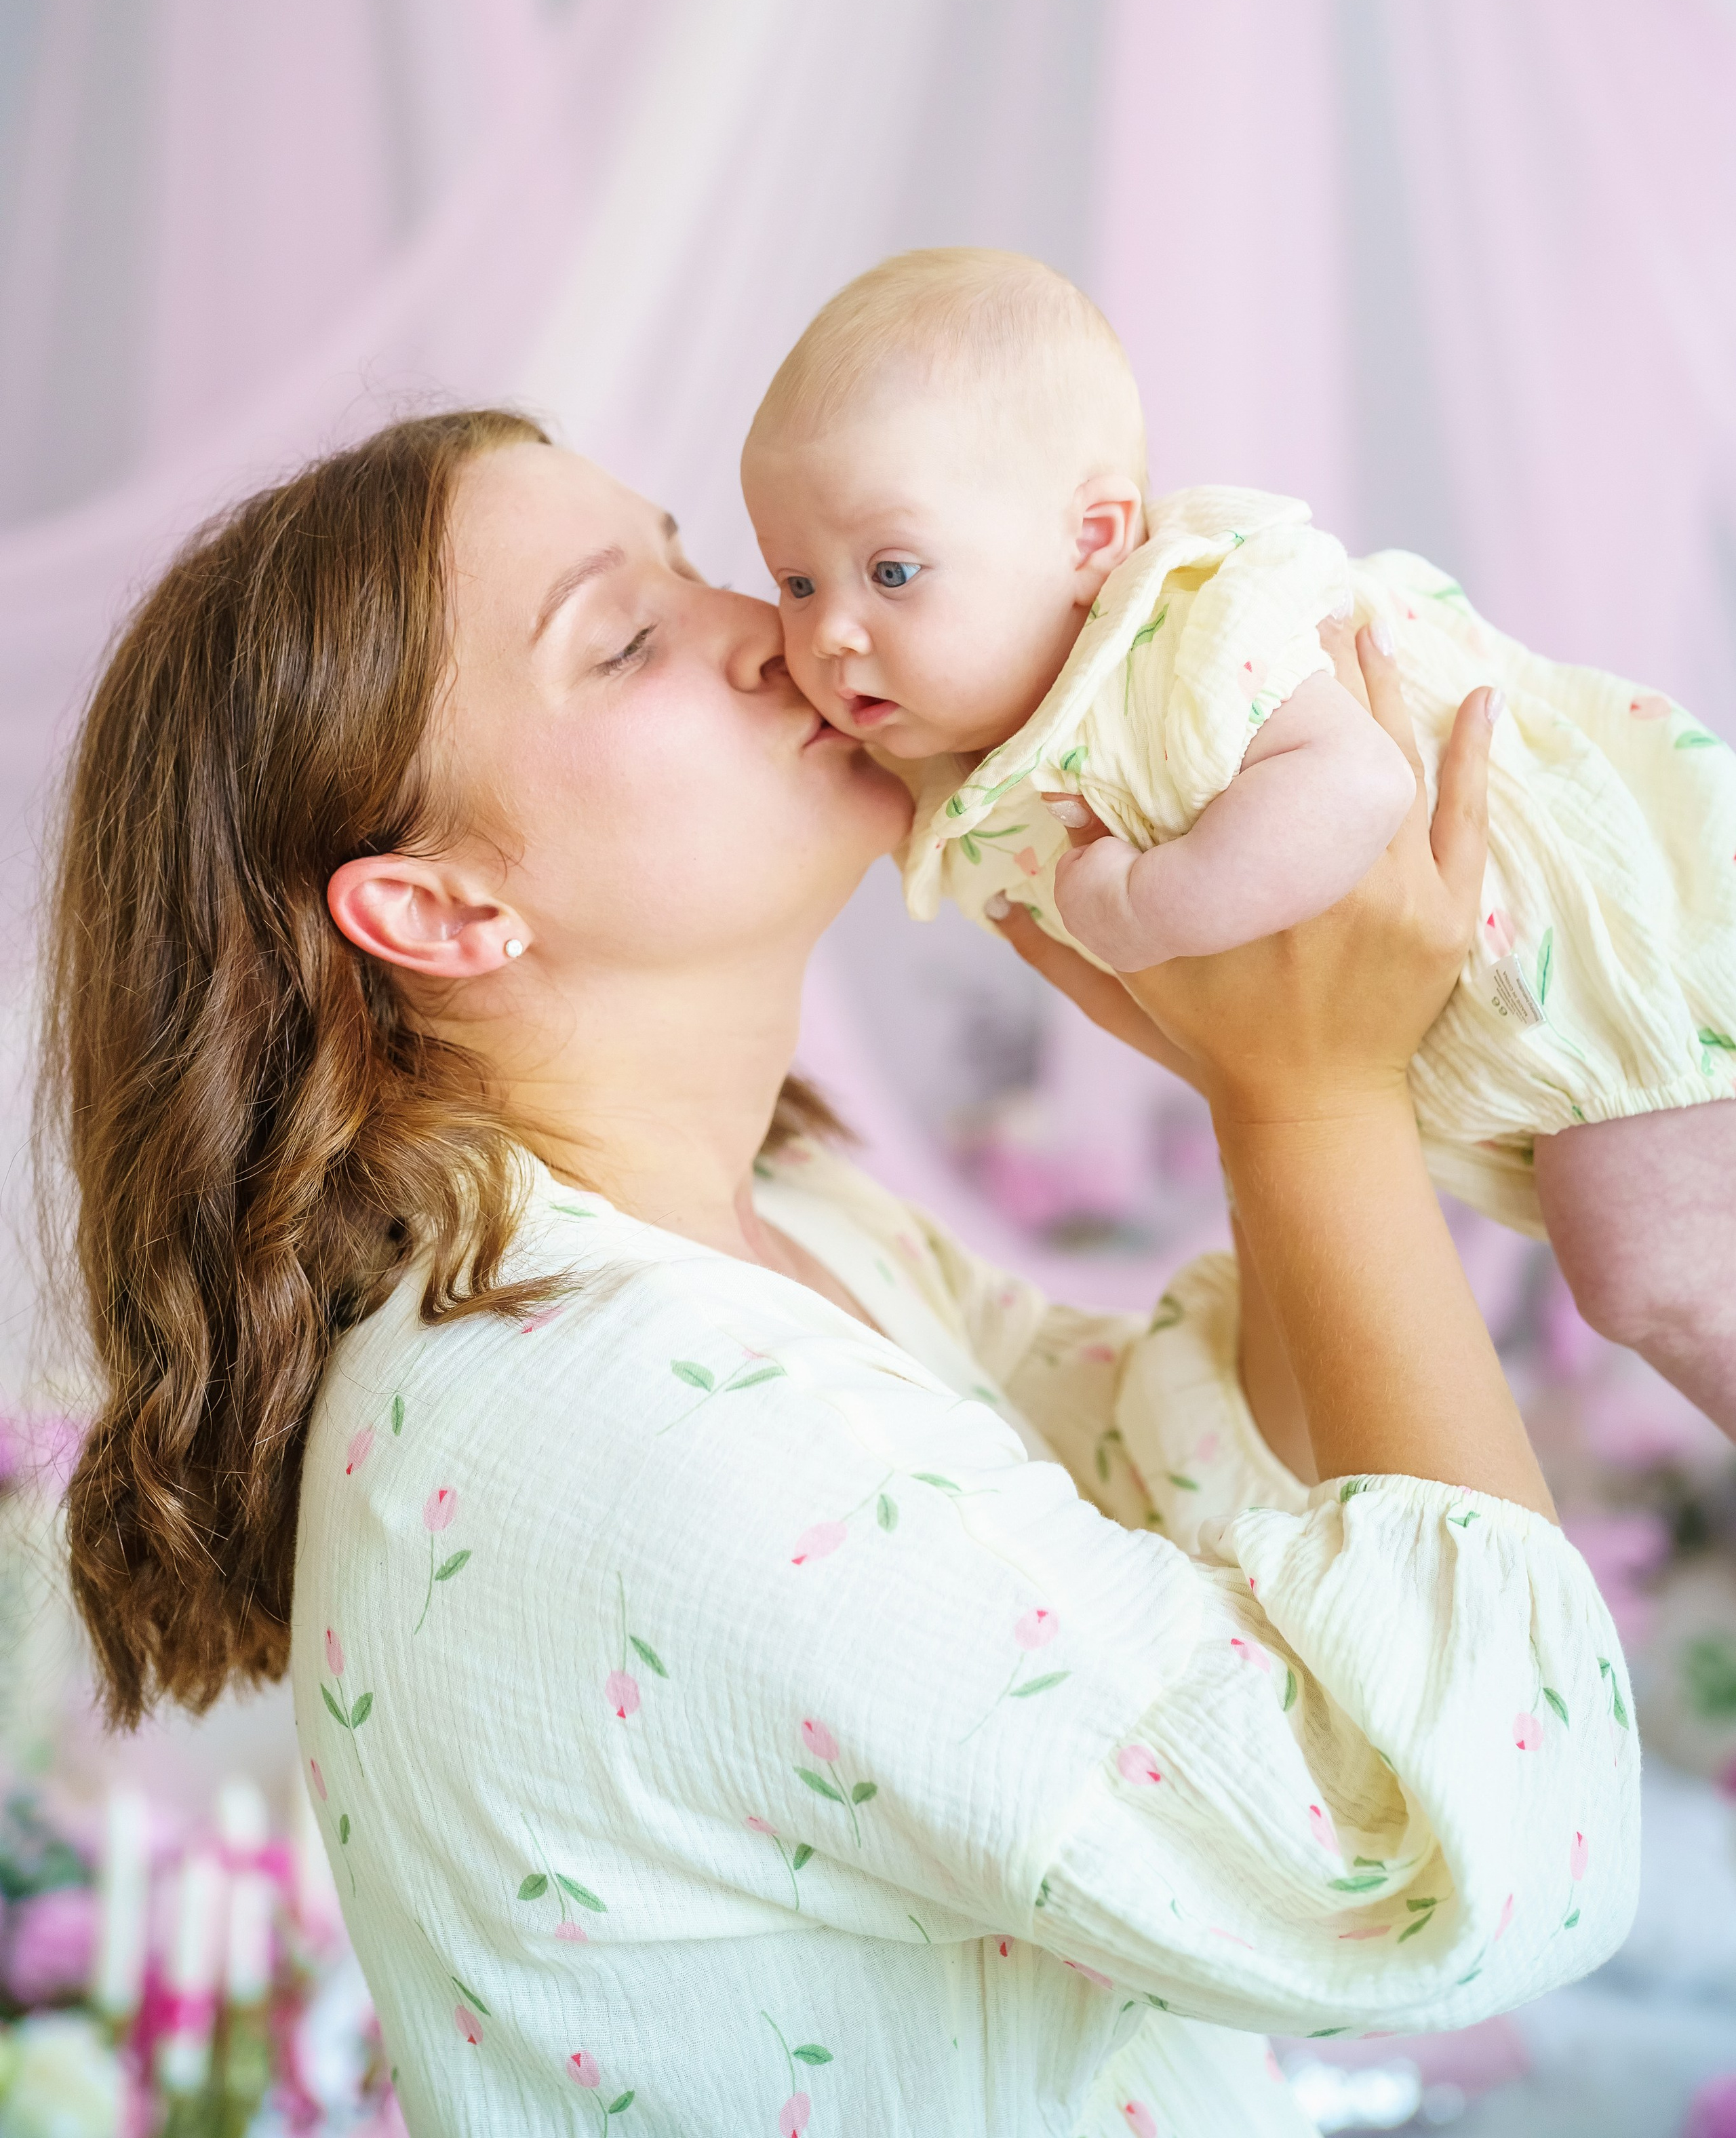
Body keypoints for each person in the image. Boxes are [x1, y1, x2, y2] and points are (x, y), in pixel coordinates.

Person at [47, 408, 1636, 2138]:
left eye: (688, 556)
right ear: (438, 916)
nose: (775, 628)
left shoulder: (783, 1221)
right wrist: (1316, 1096)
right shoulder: (620, 1422)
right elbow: (1455, 1864)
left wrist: (1270, 1078)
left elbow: (1164, 1492)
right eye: (629, 635)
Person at [741, 244, 1736, 1434]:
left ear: (1095, 539)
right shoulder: (994, 731)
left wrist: (1149, 905)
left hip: (1627, 971)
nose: (832, 635)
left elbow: (1356, 782)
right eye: (795, 583)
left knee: (1644, 1267)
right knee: (1636, 1267)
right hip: (1517, 1063)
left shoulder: (1191, 631)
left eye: (891, 571)